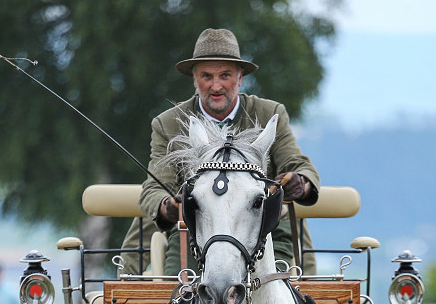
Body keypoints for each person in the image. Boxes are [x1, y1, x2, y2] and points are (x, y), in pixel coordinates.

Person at [121, 28, 320, 276]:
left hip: (263, 227)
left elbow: (297, 163)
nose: (216, 86)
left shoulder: (269, 114)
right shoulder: (168, 123)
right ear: (194, 79)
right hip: (195, 228)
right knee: (176, 292)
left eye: (225, 75)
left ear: (239, 78)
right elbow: (154, 187)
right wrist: (168, 207)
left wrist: (300, 183)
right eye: (206, 76)